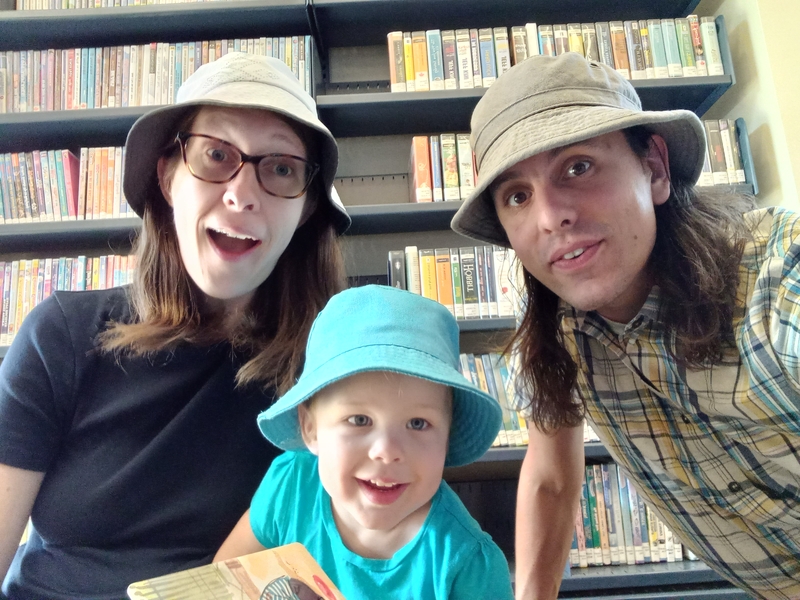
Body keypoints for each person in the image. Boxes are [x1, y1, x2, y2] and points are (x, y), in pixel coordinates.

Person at [0, 52, 351, 600]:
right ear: (168, 178)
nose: (242, 191)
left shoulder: (331, 366)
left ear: (305, 209)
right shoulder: (61, 338)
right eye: (215, 156)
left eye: (280, 167)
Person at [451, 52, 800, 600]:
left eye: (578, 166)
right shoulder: (562, 337)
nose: (550, 217)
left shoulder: (773, 280)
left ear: (655, 168)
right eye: (517, 196)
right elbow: (551, 478)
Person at [215, 284, 514, 600]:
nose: (386, 452)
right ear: (310, 427)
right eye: (360, 420)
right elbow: (224, 578)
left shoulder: (467, 566)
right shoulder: (291, 486)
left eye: (418, 423)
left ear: (447, 435)